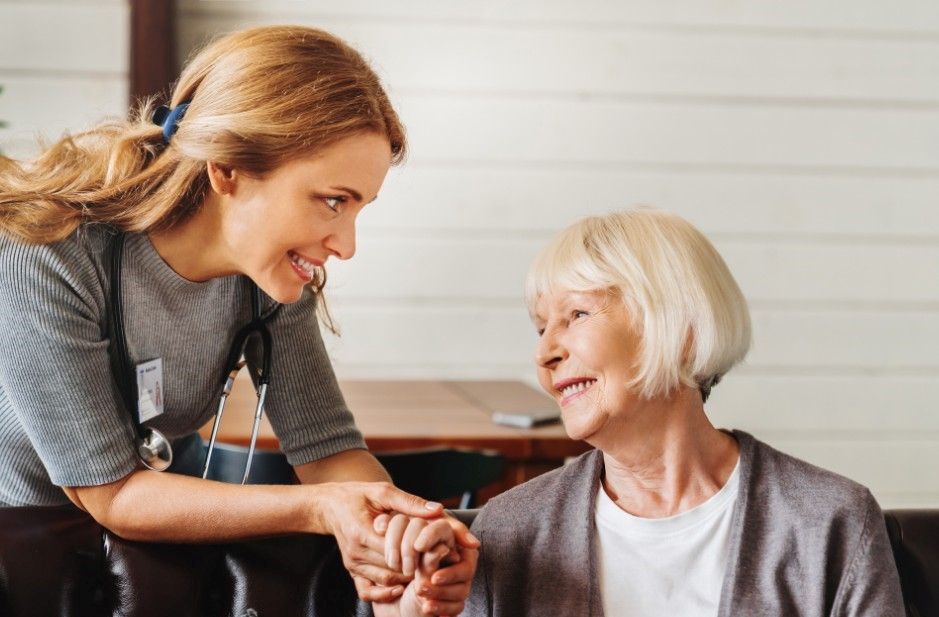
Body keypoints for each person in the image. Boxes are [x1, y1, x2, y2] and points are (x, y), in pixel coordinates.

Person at [0, 25, 476, 613]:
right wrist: (323, 510)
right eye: (333, 200)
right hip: (18, 557)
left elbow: (328, 451)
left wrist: (399, 538)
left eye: (358, 208)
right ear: (226, 170)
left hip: (120, 561)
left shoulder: (269, 279)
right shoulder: (47, 251)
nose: (347, 245)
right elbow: (112, 493)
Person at [463, 208, 905, 616]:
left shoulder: (830, 521)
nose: (544, 353)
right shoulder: (510, 528)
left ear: (682, 330)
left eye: (576, 315)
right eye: (541, 328)